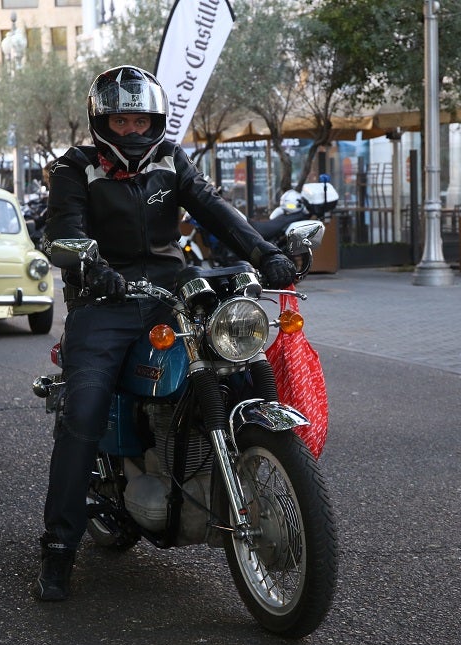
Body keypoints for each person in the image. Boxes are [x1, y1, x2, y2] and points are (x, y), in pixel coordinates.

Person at [32, 65, 296, 602]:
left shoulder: (173, 160)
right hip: (104, 302)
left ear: (156, 120)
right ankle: (58, 549)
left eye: (140, 120)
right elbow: (63, 231)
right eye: (120, 120)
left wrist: (263, 252)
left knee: (244, 367)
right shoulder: (75, 169)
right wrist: (87, 265)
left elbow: (215, 211)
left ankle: (247, 469)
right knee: (84, 410)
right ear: (101, 120)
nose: (131, 130)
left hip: (172, 290)